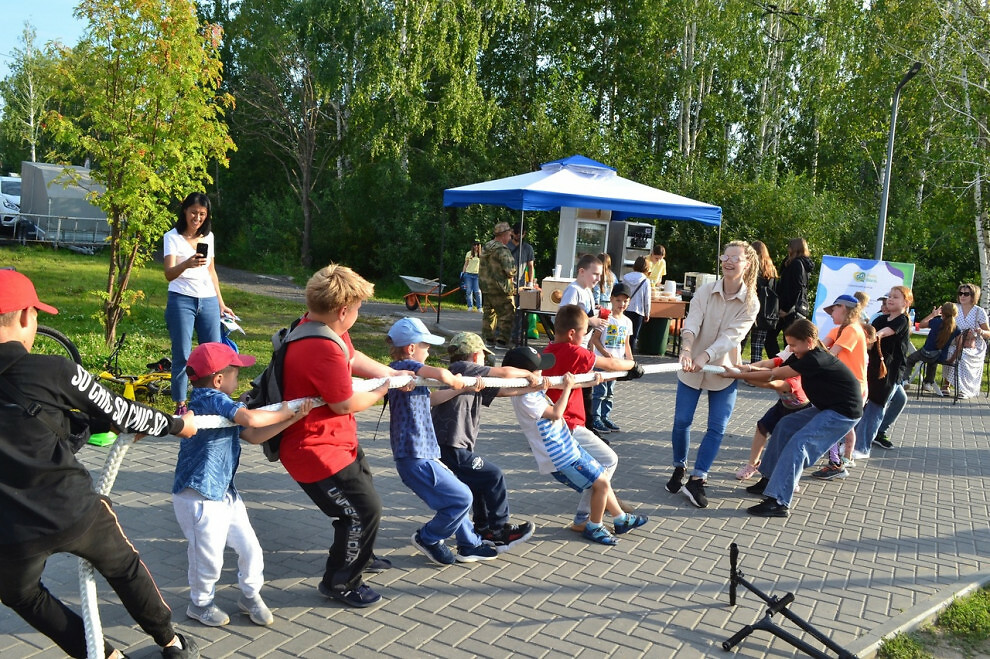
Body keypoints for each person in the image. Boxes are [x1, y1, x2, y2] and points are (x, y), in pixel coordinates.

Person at [0, 269, 200, 659]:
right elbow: (121, 410)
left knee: (20, 595)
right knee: (124, 567)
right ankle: (170, 641)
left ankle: (104, 655)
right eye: (37, 316)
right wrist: (177, 425)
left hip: (12, 532)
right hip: (74, 511)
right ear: (25, 315)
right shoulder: (54, 370)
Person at [279, 264, 409, 609]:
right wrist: (384, 389)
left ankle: (360, 556)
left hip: (337, 441)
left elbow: (354, 358)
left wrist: (393, 374)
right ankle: (340, 581)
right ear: (343, 310)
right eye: (359, 307)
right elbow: (343, 403)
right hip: (314, 449)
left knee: (366, 500)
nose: (359, 312)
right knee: (361, 512)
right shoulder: (320, 345)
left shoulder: (322, 328)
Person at [174, 342, 312, 628]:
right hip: (198, 496)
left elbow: (252, 435)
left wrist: (291, 419)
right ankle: (200, 604)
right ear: (219, 379)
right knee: (207, 558)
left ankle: (249, 595)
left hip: (224, 492)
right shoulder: (209, 399)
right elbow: (249, 418)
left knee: (250, 548)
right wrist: (284, 412)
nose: (239, 381)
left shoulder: (219, 404)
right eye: (236, 374)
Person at [504, 347, 649, 546]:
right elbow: (556, 413)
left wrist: (595, 380)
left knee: (600, 480)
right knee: (600, 484)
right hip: (560, 456)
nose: (542, 373)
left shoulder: (530, 390)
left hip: (568, 447)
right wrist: (565, 388)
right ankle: (593, 526)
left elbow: (569, 385)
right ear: (526, 373)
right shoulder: (526, 397)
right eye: (538, 370)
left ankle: (620, 519)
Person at [385, 318, 499, 565]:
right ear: (411, 348)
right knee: (461, 498)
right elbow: (440, 374)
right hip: (415, 456)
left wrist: (462, 389)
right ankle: (428, 537)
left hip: (425, 454)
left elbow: (431, 400)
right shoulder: (405, 367)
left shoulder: (410, 378)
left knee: (456, 495)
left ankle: (469, 544)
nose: (429, 350)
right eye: (426, 345)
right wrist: (455, 379)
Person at [723, 319, 863, 517]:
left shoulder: (816, 359)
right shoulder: (802, 354)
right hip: (827, 407)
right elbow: (770, 369)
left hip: (843, 413)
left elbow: (773, 376)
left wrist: (735, 376)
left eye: (793, 344)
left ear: (808, 341)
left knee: (799, 443)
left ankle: (779, 501)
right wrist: (745, 369)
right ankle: (769, 479)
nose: (790, 348)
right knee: (785, 424)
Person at [665, 240, 759, 509]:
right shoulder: (705, 291)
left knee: (717, 427)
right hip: (690, 367)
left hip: (723, 369)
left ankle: (698, 478)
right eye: (725, 256)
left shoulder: (751, 302)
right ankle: (679, 467)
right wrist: (687, 350)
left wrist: (704, 357)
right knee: (682, 420)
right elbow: (692, 322)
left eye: (735, 258)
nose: (728, 262)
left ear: (746, 264)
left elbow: (733, 336)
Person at [430, 331, 538, 551]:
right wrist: (529, 374)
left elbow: (502, 392)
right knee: (493, 475)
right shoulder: (462, 369)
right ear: (476, 354)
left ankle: (483, 527)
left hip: (455, 445)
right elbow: (506, 373)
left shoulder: (470, 378)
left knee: (479, 482)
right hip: (451, 445)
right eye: (482, 355)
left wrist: (531, 388)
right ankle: (500, 529)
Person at [544, 304, 643, 530]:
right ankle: (585, 518)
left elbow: (577, 378)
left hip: (560, 424)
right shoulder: (573, 351)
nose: (584, 338)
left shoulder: (549, 350)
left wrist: (600, 379)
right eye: (583, 333)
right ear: (572, 334)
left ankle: (609, 509)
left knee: (597, 470)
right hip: (567, 424)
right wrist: (633, 366)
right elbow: (611, 363)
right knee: (608, 461)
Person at [164, 192, 233, 416]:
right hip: (181, 299)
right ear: (184, 211)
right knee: (183, 353)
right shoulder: (172, 237)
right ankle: (181, 404)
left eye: (202, 214)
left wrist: (221, 303)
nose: (197, 218)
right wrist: (187, 263)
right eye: (193, 212)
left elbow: (211, 270)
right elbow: (168, 273)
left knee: (213, 353)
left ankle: (212, 400)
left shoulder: (208, 236)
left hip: (208, 300)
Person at [733, 351, 810, 481]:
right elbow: (764, 364)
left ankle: (792, 476)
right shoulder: (785, 362)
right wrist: (747, 368)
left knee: (792, 443)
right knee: (762, 426)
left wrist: (744, 376)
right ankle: (753, 464)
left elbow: (771, 383)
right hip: (783, 405)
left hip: (800, 411)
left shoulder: (794, 380)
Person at [589, 282, 633, 434]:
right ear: (612, 299)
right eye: (618, 300)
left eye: (625, 301)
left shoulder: (627, 322)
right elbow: (595, 339)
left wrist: (631, 362)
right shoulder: (606, 318)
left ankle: (605, 416)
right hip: (603, 361)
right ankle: (596, 417)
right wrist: (605, 353)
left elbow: (626, 343)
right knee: (599, 391)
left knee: (610, 392)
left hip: (617, 363)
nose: (622, 304)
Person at [942, 283, 990, 399]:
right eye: (960, 293)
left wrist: (980, 332)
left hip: (974, 344)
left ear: (973, 296)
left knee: (963, 356)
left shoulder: (979, 311)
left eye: (966, 294)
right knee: (948, 350)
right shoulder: (954, 308)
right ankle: (946, 384)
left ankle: (964, 389)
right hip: (956, 340)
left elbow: (988, 333)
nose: (962, 296)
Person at [767, 238, 813, 358]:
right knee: (783, 340)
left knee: (781, 340)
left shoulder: (796, 264)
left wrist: (786, 309)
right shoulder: (802, 264)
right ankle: (781, 363)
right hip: (792, 308)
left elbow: (795, 288)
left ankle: (781, 364)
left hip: (789, 308)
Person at [479, 221, 517, 348]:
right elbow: (510, 271)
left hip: (486, 287)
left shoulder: (486, 247)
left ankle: (489, 340)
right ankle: (502, 341)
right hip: (501, 288)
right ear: (503, 235)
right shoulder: (502, 250)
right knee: (507, 313)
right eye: (509, 235)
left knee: (489, 314)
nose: (510, 238)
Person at [909, 302, 960, 395]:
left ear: (942, 313)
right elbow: (959, 345)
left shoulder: (936, 322)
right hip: (941, 357)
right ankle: (928, 382)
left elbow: (921, 324)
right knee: (933, 360)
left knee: (910, 359)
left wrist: (933, 314)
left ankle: (905, 380)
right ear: (956, 314)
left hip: (926, 353)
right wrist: (953, 358)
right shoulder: (957, 329)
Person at [749, 240, 779, 363]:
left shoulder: (752, 268)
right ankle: (754, 373)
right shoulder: (771, 269)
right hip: (766, 312)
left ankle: (735, 369)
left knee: (740, 340)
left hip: (751, 308)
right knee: (757, 345)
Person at [620, 256, 652, 353]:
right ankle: (631, 355)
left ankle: (622, 353)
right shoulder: (645, 280)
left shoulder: (625, 277)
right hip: (639, 310)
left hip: (625, 308)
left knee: (624, 333)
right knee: (634, 335)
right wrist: (647, 313)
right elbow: (647, 299)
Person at [509, 222, 535, 288]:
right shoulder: (505, 246)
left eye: (521, 233)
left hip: (521, 285)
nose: (518, 235)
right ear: (512, 232)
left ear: (524, 233)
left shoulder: (528, 248)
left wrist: (530, 282)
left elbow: (530, 266)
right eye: (516, 232)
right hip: (507, 285)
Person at [461, 240, 482, 312]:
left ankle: (479, 307)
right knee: (468, 291)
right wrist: (463, 272)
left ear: (479, 246)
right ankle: (470, 306)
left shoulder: (481, 255)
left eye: (477, 245)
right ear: (472, 246)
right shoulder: (469, 253)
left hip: (477, 274)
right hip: (468, 274)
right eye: (474, 245)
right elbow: (466, 264)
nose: (476, 246)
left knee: (477, 291)